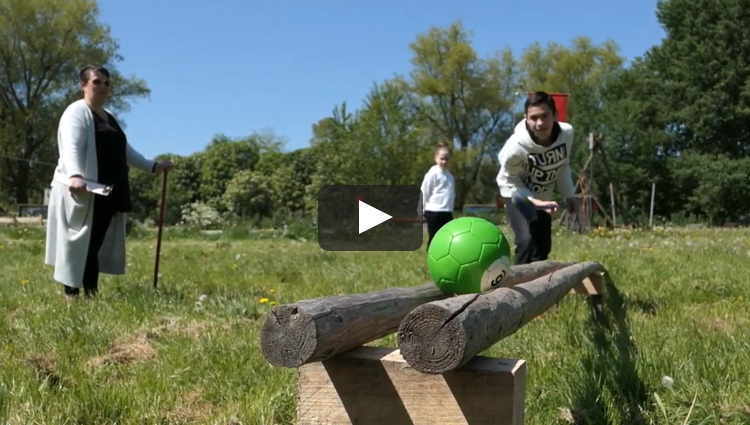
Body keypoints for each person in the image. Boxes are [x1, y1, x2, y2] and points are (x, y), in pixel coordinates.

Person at [44, 65, 175, 298]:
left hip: (107, 191)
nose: (102, 86)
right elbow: (70, 147)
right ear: (83, 85)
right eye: (97, 82)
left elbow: (125, 151)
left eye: (106, 82)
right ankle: (71, 295)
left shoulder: (110, 117)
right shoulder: (76, 112)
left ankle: (90, 294)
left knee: (93, 246)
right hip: (83, 191)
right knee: (78, 245)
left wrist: (153, 166)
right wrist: (75, 175)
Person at [496, 91, 577, 265]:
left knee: (542, 246)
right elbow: (509, 179)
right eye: (533, 118)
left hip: (542, 194)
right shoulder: (515, 146)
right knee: (525, 242)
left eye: (545, 116)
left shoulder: (567, 134)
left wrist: (569, 195)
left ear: (555, 115)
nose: (540, 123)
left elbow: (562, 166)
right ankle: (517, 288)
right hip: (515, 192)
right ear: (526, 119)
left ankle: (539, 287)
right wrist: (535, 201)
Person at [419, 141, 456, 248]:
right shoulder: (432, 174)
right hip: (434, 212)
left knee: (448, 238)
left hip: (447, 212)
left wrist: (451, 208)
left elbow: (451, 194)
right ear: (436, 158)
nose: (444, 162)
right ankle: (431, 259)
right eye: (441, 159)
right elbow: (424, 191)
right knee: (434, 238)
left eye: (446, 159)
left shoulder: (449, 176)